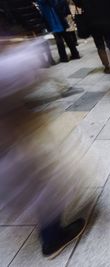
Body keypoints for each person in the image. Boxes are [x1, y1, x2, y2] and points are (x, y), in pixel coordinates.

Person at [0, 39, 86, 259]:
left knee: (28, 182)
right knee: (42, 180)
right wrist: (17, 47)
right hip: (12, 141)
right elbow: (27, 65)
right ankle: (52, 237)